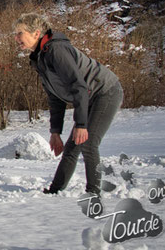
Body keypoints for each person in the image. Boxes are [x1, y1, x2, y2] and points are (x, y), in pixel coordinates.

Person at [13, 13, 123, 195]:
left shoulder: (56, 51)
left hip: (105, 92)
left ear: (36, 33)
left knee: (88, 142)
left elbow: (78, 86)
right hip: (88, 96)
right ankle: (55, 190)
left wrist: (81, 124)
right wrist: (55, 132)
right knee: (72, 147)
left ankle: (93, 193)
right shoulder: (39, 58)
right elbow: (55, 98)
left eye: (20, 33)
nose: (16, 38)